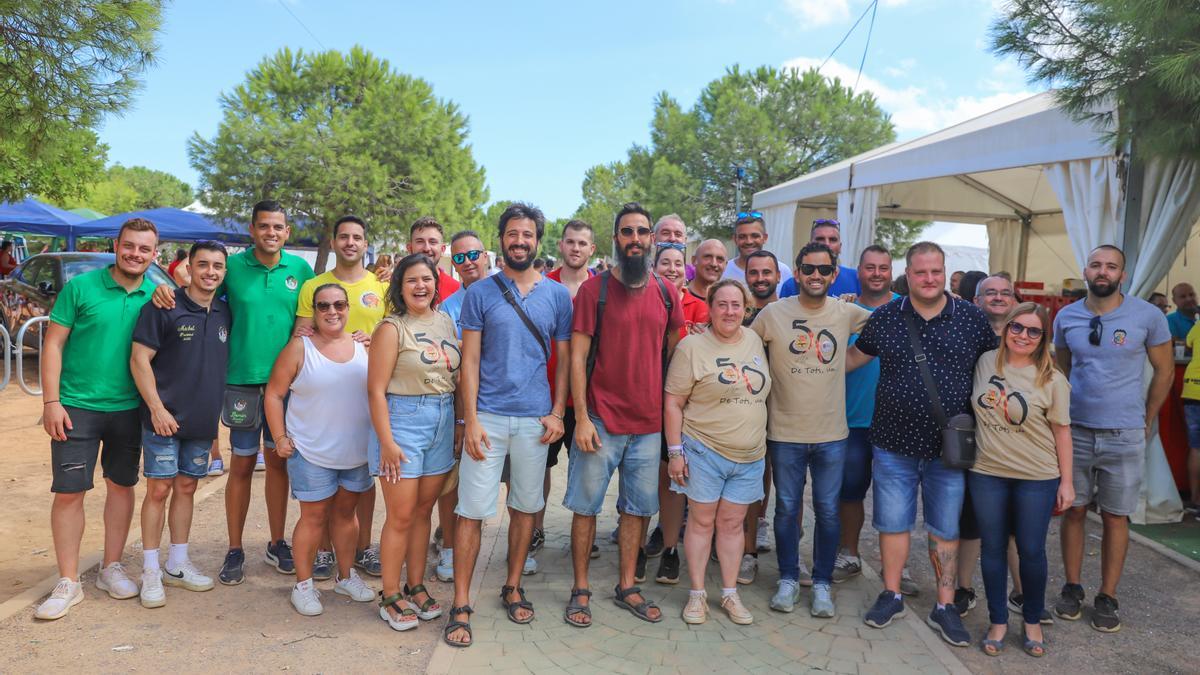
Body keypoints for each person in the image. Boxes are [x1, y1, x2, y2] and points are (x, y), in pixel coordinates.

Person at [153, 200, 315, 584]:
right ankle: (235, 548)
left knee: (277, 464)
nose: (271, 233)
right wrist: (161, 292)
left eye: (278, 227)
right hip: (240, 382)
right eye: (264, 226)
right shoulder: (233, 267)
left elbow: (311, 319)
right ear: (252, 229)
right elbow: (194, 288)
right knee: (241, 465)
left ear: (287, 232)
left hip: (287, 386)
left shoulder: (302, 269)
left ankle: (277, 543)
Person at [852, 241, 997, 647]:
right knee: (892, 523)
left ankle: (945, 606)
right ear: (908, 274)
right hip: (892, 443)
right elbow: (851, 359)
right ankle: (892, 593)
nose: (929, 279)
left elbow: (997, 369)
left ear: (944, 271)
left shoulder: (971, 318)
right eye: (921, 273)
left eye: (936, 272)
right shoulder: (884, 317)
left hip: (948, 449)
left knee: (945, 529)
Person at [445, 202, 571, 647]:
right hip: (490, 420)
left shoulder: (557, 295)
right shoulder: (480, 293)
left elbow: (565, 361)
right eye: (512, 234)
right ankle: (461, 603)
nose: (520, 241)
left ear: (539, 241)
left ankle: (513, 585)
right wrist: (472, 419)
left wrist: (558, 412)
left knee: (524, 508)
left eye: (528, 235)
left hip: (536, 421)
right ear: (501, 239)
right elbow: (471, 361)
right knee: (470, 513)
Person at [563, 202, 683, 628]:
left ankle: (627, 585)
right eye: (627, 232)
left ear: (653, 239)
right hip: (600, 420)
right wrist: (580, 419)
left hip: (649, 427)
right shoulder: (592, 292)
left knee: (637, 510)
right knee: (586, 507)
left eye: (642, 232)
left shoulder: (667, 294)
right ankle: (580, 588)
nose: (635, 239)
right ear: (616, 238)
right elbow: (576, 359)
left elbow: (675, 355)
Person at [36, 218, 160, 621]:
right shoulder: (81, 288)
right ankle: (69, 581)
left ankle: (111, 566)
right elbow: (53, 344)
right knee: (70, 492)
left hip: (128, 408)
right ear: (116, 245)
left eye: (144, 249)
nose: (135, 254)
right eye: (129, 246)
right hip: (76, 407)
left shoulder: (157, 296)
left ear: (154, 254)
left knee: (121, 487)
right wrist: (51, 402)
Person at [1052, 244, 1173, 633]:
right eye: (1096, 265)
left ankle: (1108, 595)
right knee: (1073, 510)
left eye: (1111, 266)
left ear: (1123, 275)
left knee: (1116, 516)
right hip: (1077, 432)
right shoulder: (1066, 316)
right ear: (1085, 271)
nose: (1103, 272)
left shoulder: (1148, 316)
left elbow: (1165, 372)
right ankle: (1072, 587)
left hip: (1124, 433)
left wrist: (1147, 420)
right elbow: (1062, 369)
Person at [751, 242, 872, 617]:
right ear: (798, 273)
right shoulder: (773, 313)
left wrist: (846, 363)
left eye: (823, 269)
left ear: (834, 274)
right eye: (808, 269)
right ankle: (788, 578)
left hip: (831, 435)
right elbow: (747, 348)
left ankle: (821, 583)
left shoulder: (846, 311)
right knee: (786, 509)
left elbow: (884, 331)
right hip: (784, 432)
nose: (815, 275)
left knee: (828, 511)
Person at [970, 303, 1074, 657]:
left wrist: (1067, 482)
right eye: (1017, 327)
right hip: (987, 472)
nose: (1023, 336)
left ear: (1044, 338)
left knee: (1031, 550)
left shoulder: (1053, 379)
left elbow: (1062, 433)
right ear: (1006, 328)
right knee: (993, 549)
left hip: (1037, 476)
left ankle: (1031, 620)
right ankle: (998, 621)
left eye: (1033, 331)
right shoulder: (985, 362)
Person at [130, 241, 229, 609]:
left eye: (218, 266)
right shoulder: (163, 307)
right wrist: (156, 409)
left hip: (201, 421)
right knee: (158, 490)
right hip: (163, 419)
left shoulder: (223, 312)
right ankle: (151, 569)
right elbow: (140, 360)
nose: (210, 272)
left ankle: (177, 563)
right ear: (188, 266)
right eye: (202, 264)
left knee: (187, 486)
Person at [265, 284, 375, 616]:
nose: (332, 311)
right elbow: (273, 394)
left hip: (355, 451)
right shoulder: (299, 348)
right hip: (311, 450)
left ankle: (345, 575)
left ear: (348, 307)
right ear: (313, 310)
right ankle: (303, 585)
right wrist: (280, 437)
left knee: (345, 515)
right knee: (312, 518)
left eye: (339, 304)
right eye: (324, 305)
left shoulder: (364, 347)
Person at [666, 279, 771, 625]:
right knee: (702, 521)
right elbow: (673, 403)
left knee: (733, 524)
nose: (729, 311)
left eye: (736, 304)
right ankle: (697, 595)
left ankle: (728, 594)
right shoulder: (692, 347)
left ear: (746, 308)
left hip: (750, 454)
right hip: (703, 449)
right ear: (709, 309)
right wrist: (675, 452)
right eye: (722, 304)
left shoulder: (754, 339)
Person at [367, 254, 460, 631]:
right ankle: (390, 594)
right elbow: (374, 390)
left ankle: (415, 585)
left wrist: (458, 422)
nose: (421, 286)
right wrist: (386, 441)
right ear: (399, 287)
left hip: (442, 419)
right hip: (404, 421)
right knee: (401, 515)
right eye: (412, 281)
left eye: (427, 279)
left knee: (424, 513)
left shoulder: (445, 321)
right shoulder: (392, 328)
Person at [294, 215, 388, 578]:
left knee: (362, 480)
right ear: (332, 242)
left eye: (358, 237)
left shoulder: (379, 286)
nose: (351, 242)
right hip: (325, 397)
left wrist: (372, 340)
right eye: (344, 237)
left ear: (366, 244)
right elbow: (302, 333)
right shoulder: (314, 286)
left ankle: (363, 547)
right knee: (323, 479)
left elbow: (392, 330)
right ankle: (323, 550)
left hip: (369, 394)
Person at [833, 246, 912, 591]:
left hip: (896, 420)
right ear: (859, 272)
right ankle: (848, 553)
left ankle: (898, 568)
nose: (877, 273)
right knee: (849, 492)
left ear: (891, 271)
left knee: (897, 496)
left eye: (883, 268)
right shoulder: (843, 309)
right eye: (870, 268)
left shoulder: (907, 309)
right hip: (851, 419)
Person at [955, 274, 1017, 615]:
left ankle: (1022, 592)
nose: (997, 297)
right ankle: (964, 587)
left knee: (1014, 524)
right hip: (974, 439)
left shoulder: (1027, 336)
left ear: (1014, 298)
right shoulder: (967, 335)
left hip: (1015, 442)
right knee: (970, 519)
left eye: (1004, 292)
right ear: (976, 300)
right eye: (989, 292)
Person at [536, 220, 597, 561]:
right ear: (561, 246)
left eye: (582, 243)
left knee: (586, 472)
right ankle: (535, 530)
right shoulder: (544, 287)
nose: (575, 248)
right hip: (547, 396)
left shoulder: (603, 289)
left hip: (588, 400)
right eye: (570, 242)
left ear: (592, 249)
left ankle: (585, 535)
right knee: (538, 468)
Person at [649, 241, 709, 585]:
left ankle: (672, 548)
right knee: (652, 476)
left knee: (676, 479)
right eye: (665, 263)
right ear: (654, 267)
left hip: (687, 404)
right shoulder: (644, 298)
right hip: (649, 398)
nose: (672, 268)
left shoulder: (700, 308)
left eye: (677, 263)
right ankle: (650, 538)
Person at [433, 230, 490, 583]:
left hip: (499, 402)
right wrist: (459, 417)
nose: (467, 262)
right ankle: (450, 546)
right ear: (451, 262)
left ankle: (521, 547)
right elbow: (451, 365)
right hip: (460, 401)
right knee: (451, 481)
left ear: (485, 255)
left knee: (497, 480)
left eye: (473, 255)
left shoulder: (505, 291)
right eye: (459, 257)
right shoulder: (449, 307)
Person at [740, 249, 782, 578]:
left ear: (778, 276)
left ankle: (790, 563)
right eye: (754, 273)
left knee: (789, 486)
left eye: (767, 272)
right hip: (745, 409)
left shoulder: (790, 310)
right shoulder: (737, 311)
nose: (761, 278)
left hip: (786, 408)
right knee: (753, 476)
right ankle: (747, 549)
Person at [779, 219, 861, 298]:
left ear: (840, 247)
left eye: (832, 239)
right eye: (820, 239)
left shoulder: (856, 278)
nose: (827, 244)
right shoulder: (791, 286)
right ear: (810, 244)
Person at [721, 212, 791, 293]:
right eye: (742, 237)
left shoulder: (783, 270)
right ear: (735, 239)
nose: (749, 241)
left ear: (765, 238)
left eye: (754, 236)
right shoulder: (724, 271)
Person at [407, 217, 460, 300]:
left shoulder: (456, 291)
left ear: (442, 249)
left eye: (433, 242)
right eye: (420, 241)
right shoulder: (395, 284)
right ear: (409, 248)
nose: (427, 248)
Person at [1183, 320, 1200, 513]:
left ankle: (1196, 499)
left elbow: (1188, 343)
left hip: (1192, 389)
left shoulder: (1197, 326)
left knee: (1196, 448)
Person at [654, 213, 694, 280]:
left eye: (678, 234)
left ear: (685, 241)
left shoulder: (694, 274)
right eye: (666, 233)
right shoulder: (642, 273)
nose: (672, 239)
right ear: (654, 239)